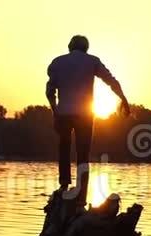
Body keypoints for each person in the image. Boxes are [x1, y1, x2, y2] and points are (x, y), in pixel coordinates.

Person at [46, 35, 130, 212]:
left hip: (64, 113)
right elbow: (110, 80)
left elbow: (49, 91)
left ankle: (63, 186)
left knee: (64, 148)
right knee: (83, 154)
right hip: (85, 114)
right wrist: (123, 98)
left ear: (70, 46)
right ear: (86, 48)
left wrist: (55, 111)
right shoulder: (92, 61)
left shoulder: (57, 62)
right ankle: (81, 197)